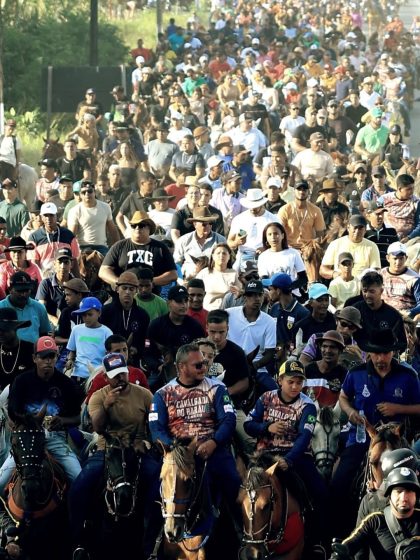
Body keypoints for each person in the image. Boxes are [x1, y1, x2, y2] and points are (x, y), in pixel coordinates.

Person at [330, 328, 420, 538]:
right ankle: (337, 537)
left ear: (393, 352)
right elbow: (343, 397)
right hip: (361, 437)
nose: (381, 358)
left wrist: (398, 409)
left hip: (397, 441)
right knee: (338, 483)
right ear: (369, 352)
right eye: (377, 353)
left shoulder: (408, 375)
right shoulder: (356, 373)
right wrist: (350, 412)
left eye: (386, 353)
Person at [69, 352, 159, 559]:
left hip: (137, 448)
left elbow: (156, 425)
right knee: (80, 486)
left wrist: (146, 441)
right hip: (107, 449)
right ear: (106, 377)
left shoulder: (144, 394)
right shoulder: (98, 397)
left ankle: (154, 540)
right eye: (115, 376)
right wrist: (106, 406)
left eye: (123, 374)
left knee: (158, 481)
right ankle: (79, 541)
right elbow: (98, 428)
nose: (121, 379)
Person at [149, 342, 241, 521]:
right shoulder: (162, 394)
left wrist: (214, 442)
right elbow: (156, 429)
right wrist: (174, 448)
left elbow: (228, 420)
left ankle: (240, 531)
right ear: (181, 367)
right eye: (198, 365)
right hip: (177, 453)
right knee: (153, 490)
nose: (204, 368)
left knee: (233, 482)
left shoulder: (217, 388)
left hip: (212, 449)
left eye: (205, 363)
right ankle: (153, 537)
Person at [244, 359, 327, 544]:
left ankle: (318, 542)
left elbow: (305, 436)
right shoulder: (266, 398)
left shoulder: (307, 405)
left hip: (296, 457)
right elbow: (248, 425)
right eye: (291, 381)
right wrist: (267, 427)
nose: (295, 386)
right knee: (242, 490)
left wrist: (288, 459)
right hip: (264, 455)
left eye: (299, 382)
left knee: (320, 492)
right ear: (280, 380)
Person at [0, 336, 82, 494]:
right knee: (1, 481)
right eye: (43, 357)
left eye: (51, 356)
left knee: (79, 478)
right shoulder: (21, 381)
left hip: (55, 438)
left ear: (56, 357)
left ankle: (78, 510)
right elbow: (13, 413)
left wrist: (62, 420)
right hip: (25, 439)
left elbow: (77, 418)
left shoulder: (67, 384)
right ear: (34, 358)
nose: (48, 361)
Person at [331, 467, 420, 559]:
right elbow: (352, 543)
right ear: (389, 495)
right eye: (399, 491)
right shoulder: (374, 521)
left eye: (409, 491)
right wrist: (339, 554)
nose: (404, 498)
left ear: (416, 496)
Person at [99, 210, 177, 292]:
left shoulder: (160, 248)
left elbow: (173, 274)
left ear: (149, 228)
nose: (137, 228)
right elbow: (103, 271)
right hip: (124, 294)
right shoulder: (119, 246)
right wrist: (120, 282)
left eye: (141, 225)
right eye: (133, 226)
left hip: (150, 294)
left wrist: (150, 282)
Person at [226, 279, 276, 394]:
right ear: (245, 297)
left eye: (259, 295)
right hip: (230, 365)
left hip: (257, 368)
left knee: (275, 394)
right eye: (251, 295)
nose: (256, 298)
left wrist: (254, 366)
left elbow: (270, 353)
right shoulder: (229, 314)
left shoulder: (269, 321)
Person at [146, 286, 205, 383]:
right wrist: (157, 366)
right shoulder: (156, 325)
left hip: (190, 370)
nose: (184, 305)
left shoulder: (195, 326)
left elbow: (201, 352)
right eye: (179, 301)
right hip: (161, 369)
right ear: (168, 303)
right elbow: (147, 351)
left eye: (186, 301)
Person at [100, 271, 150, 364]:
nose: (127, 292)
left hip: (134, 360)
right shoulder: (106, 311)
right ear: (117, 289)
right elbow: (100, 337)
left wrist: (138, 349)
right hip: (109, 359)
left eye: (131, 289)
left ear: (136, 291)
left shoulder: (142, 315)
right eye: (124, 288)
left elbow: (146, 340)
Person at [352, 271, 407, 350]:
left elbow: (402, 343)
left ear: (381, 291)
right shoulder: (355, 310)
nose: (367, 295)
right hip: (359, 354)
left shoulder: (393, 315)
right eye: (365, 291)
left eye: (372, 291)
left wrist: (388, 352)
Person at [66, 297, 113, 384]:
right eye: (84, 315)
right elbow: (72, 350)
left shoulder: (106, 332)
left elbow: (111, 355)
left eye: (90, 314)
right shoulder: (76, 329)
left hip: (98, 376)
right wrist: (70, 360)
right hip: (77, 374)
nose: (86, 318)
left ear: (99, 313)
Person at [28, 201, 80, 279]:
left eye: (51, 215)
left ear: (56, 216)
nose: (48, 219)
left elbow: (74, 260)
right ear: (42, 217)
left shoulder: (69, 235)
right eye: (45, 215)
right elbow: (34, 263)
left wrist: (78, 281)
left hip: (65, 277)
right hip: (44, 278)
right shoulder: (34, 237)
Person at [320, 215, 381, 280]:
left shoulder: (371, 246)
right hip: (341, 283)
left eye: (360, 228)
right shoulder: (336, 244)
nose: (357, 231)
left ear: (365, 230)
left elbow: (375, 270)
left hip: (362, 283)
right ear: (348, 228)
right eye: (355, 227)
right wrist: (335, 274)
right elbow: (323, 269)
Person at [227, 188, 277, 269]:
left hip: (267, 256)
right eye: (250, 206)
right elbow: (229, 242)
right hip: (244, 255)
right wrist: (236, 242)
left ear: (262, 204)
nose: (253, 208)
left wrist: (266, 248)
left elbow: (281, 242)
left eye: (255, 205)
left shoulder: (273, 219)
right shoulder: (239, 219)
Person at [67, 180, 119, 256]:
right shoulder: (74, 211)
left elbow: (113, 230)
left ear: (94, 192)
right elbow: (71, 235)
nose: (87, 194)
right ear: (80, 195)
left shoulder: (105, 207)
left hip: (102, 248)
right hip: (83, 247)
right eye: (83, 192)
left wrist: (117, 249)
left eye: (90, 191)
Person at [265, 273, 310, 360]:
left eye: (270, 289)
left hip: (293, 362)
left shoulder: (303, 313)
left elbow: (305, 344)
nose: (269, 292)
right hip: (274, 359)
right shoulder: (274, 308)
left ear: (278, 291)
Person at [173, 207, 226, 280]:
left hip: (214, 279)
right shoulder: (183, 240)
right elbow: (176, 263)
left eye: (210, 223)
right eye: (204, 224)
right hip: (189, 280)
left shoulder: (220, 240)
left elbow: (226, 263)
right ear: (195, 224)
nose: (208, 226)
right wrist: (181, 281)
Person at [0, 272, 51, 344]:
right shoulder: (1, 306)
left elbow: (44, 334)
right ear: (10, 289)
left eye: (26, 290)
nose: (23, 294)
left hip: (33, 350)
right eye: (19, 291)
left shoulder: (39, 307)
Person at [257, 222, 307, 292]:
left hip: (292, 294)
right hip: (273, 294)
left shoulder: (294, 253)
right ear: (266, 238)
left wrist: (289, 288)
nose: (273, 237)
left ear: (282, 235)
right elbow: (264, 280)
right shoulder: (263, 257)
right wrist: (276, 290)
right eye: (269, 234)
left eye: (276, 234)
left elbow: (303, 278)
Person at [278, 180, 326, 251]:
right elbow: (278, 230)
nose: (301, 192)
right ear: (294, 191)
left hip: (308, 249)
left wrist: (313, 247)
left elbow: (320, 234)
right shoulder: (285, 209)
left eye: (304, 189)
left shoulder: (316, 210)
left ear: (308, 192)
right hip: (289, 248)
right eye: (299, 189)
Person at [303, 330, 347, 408]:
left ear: (340, 351)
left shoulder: (344, 374)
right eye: (324, 346)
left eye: (332, 347)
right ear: (320, 348)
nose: (328, 351)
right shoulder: (308, 370)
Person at [196, 242, 241, 311]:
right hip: (208, 311)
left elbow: (239, 293)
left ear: (229, 256)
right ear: (213, 256)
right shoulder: (204, 273)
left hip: (227, 311)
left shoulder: (234, 273)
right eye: (218, 253)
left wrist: (237, 291)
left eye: (224, 253)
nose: (221, 255)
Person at [380, 242, 420, 317]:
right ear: (388, 258)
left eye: (401, 258)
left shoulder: (414, 279)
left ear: (406, 258)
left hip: (404, 317)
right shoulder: (380, 275)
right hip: (382, 314)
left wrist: (410, 312)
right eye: (395, 258)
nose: (398, 262)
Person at [35, 247, 74, 323]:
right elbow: (40, 309)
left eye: (66, 262)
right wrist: (55, 321)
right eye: (60, 262)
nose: (63, 266)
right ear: (54, 264)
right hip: (50, 325)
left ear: (71, 264)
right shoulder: (45, 284)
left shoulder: (78, 284)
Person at [379, 174, 420, 242]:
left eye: (413, 188)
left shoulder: (416, 202)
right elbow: (374, 214)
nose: (412, 191)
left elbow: (419, 224)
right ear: (400, 189)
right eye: (408, 189)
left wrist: (409, 237)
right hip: (386, 237)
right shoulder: (384, 199)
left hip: (409, 240)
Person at [364, 200, 399, 268]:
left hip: (387, 268)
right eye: (377, 214)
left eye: (382, 213)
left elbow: (395, 251)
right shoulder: (363, 231)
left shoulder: (391, 230)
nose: (380, 216)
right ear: (368, 215)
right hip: (369, 268)